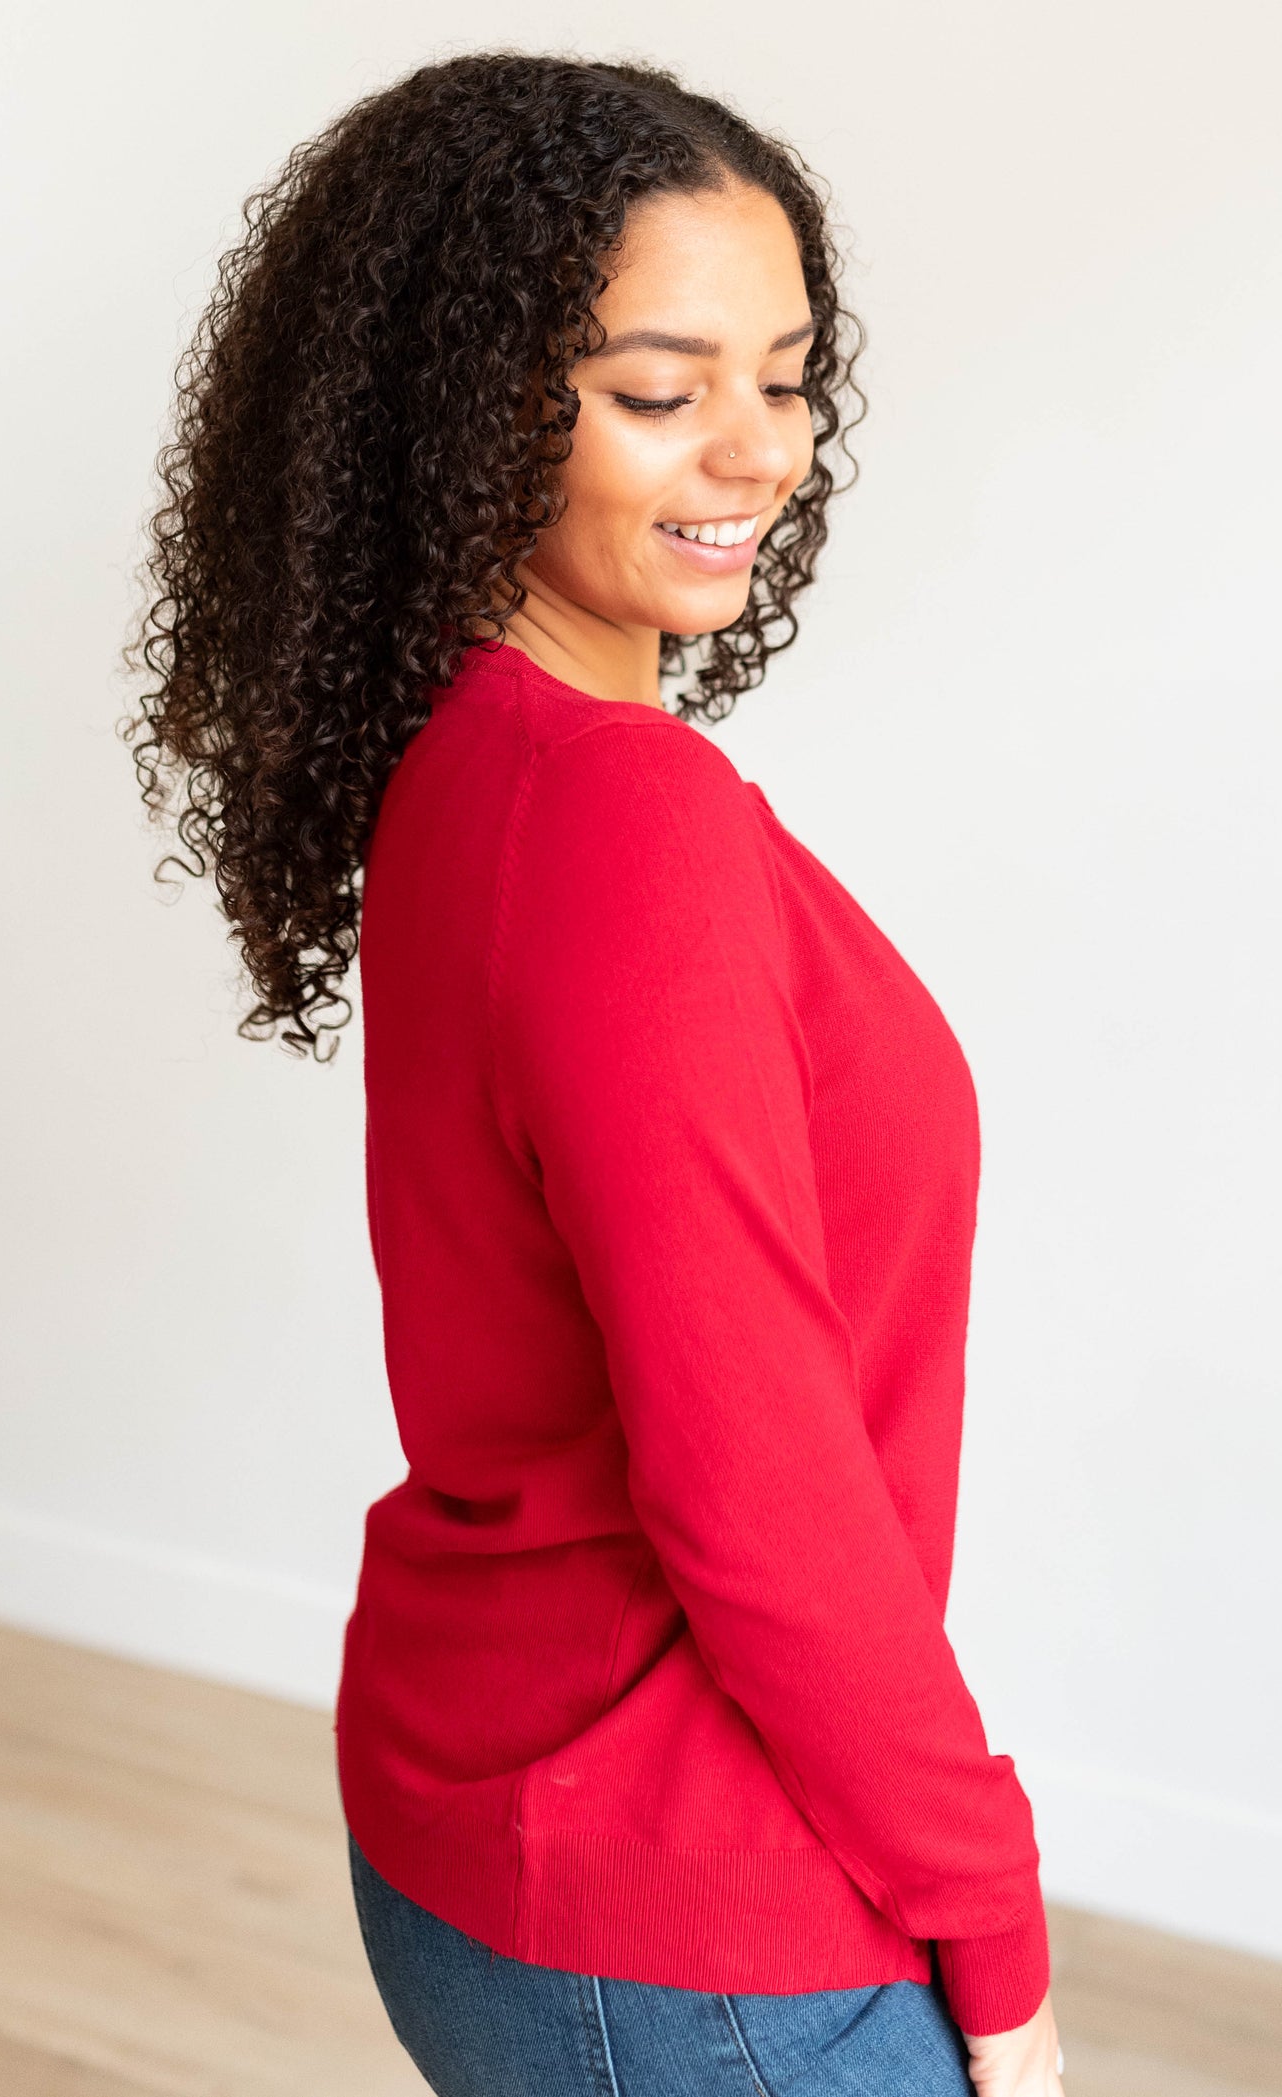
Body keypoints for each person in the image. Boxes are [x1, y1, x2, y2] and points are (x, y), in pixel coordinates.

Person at [122, 49, 1067, 2097]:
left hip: (501, 1826)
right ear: (467, 412)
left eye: (788, 375)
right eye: (659, 389)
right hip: (695, 1914)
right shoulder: (619, 815)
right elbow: (755, 1477)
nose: (754, 453)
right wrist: (988, 1921)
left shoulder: (473, 752)